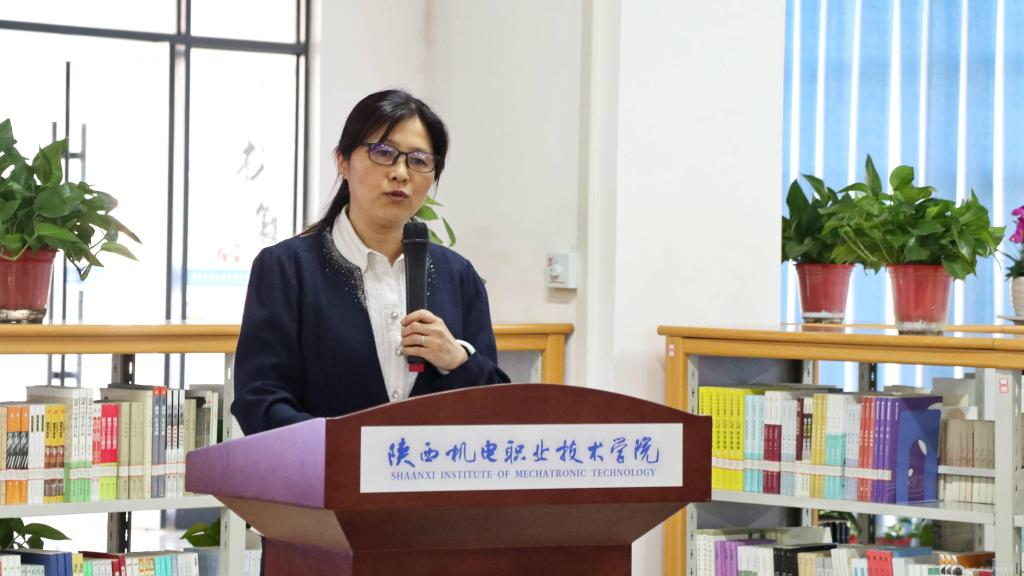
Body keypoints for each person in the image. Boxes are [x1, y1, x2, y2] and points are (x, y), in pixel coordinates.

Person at [231, 89, 510, 436]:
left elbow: (497, 408)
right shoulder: (288, 269)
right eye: (383, 152)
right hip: (323, 469)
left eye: (419, 160)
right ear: (343, 161)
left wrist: (456, 360)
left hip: (432, 470)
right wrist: (343, 449)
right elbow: (259, 401)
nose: (401, 173)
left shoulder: (458, 275)